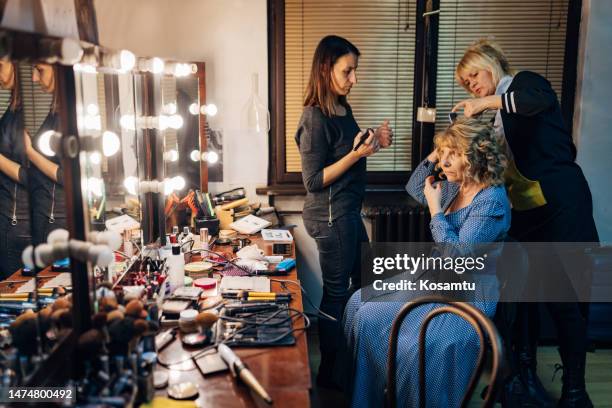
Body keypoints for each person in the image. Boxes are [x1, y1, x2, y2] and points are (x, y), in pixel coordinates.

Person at [452, 39, 599, 408]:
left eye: (474, 77)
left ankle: (575, 393)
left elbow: (539, 103)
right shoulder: (499, 117)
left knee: (566, 300)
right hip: (530, 216)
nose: (472, 86)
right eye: (466, 84)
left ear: (490, 64)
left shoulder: (524, 85)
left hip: (563, 210)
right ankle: (522, 376)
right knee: (523, 295)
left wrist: (483, 102)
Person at [343, 117, 510, 407]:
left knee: (414, 344)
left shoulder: (491, 200)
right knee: (359, 303)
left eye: (453, 154)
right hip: (434, 277)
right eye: (443, 154)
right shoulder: (456, 185)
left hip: (466, 293)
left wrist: (435, 212)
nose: (443, 162)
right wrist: (441, 147)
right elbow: (415, 185)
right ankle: (372, 396)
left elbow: (458, 260)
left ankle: (406, 394)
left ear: (475, 156)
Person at [294, 35, 393, 387]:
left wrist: (374, 142)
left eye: (355, 71)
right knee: (337, 295)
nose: (354, 78)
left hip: (348, 212)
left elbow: (347, 156)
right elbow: (313, 180)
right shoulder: (314, 117)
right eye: (347, 71)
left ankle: (349, 364)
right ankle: (331, 375)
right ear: (326, 68)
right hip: (330, 217)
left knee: (365, 284)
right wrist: (355, 155)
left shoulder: (342, 106)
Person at [25, 63, 66, 246]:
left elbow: (67, 175)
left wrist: (29, 151)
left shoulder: (66, 116)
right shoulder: (56, 111)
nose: (34, 78)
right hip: (47, 213)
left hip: (54, 218)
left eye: (40, 70)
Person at [0, 61, 31, 279]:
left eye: (0, 65)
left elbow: (30, 176)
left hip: (15, 227)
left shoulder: (26, 117)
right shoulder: (13, 109)